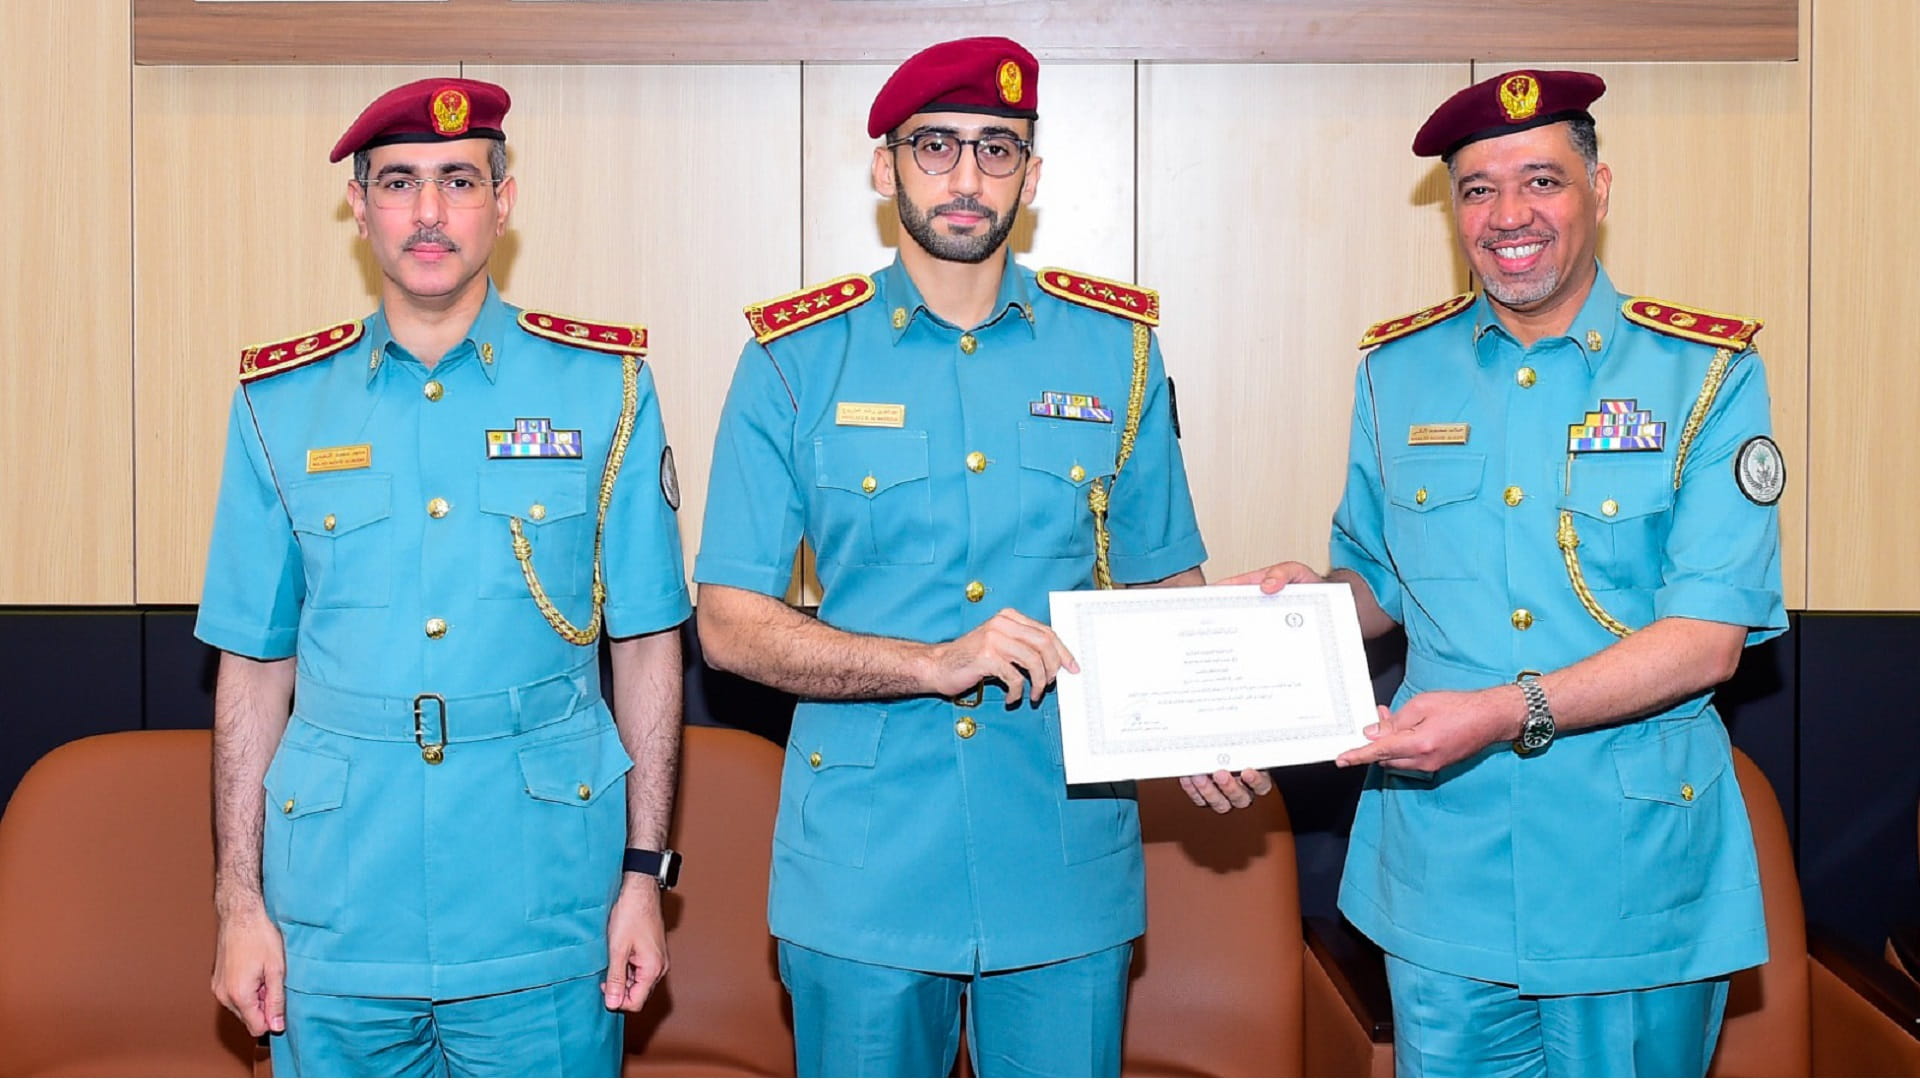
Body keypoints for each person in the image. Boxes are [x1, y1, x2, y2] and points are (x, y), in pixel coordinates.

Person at [693, 36, 1266, 1077]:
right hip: (863, 866)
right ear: (884, 166)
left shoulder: (1117, 352)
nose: (966, 178)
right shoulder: (793, 356)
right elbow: (729, 626)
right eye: (936, 147)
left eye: (997, 150)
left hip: (1058, 848)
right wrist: (930, 662)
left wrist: (1217, 706)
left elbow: (1162, 583)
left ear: (1032, 177)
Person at [1226, 69, 1786, 1076]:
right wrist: (1290, 612)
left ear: (1599, 189)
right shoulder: (1396, 371)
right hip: (1444, 874)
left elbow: (1709, 639)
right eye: (1479, 189)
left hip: (1631, 879)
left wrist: (1505, 711)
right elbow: (1377, 587)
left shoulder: (1704, 372)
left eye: (1542, 180)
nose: (1509, 215)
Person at [196, 77, 691, 1077]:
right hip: (337, 907)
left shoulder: (607, 388)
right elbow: (253, 671)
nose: (429, 213)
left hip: (544, 902)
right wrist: (239, 903)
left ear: (503, 201)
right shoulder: (279, 405)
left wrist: (642, 877)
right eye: (400, 183)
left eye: (459, 180)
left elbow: (645, 645)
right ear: (358, 204)